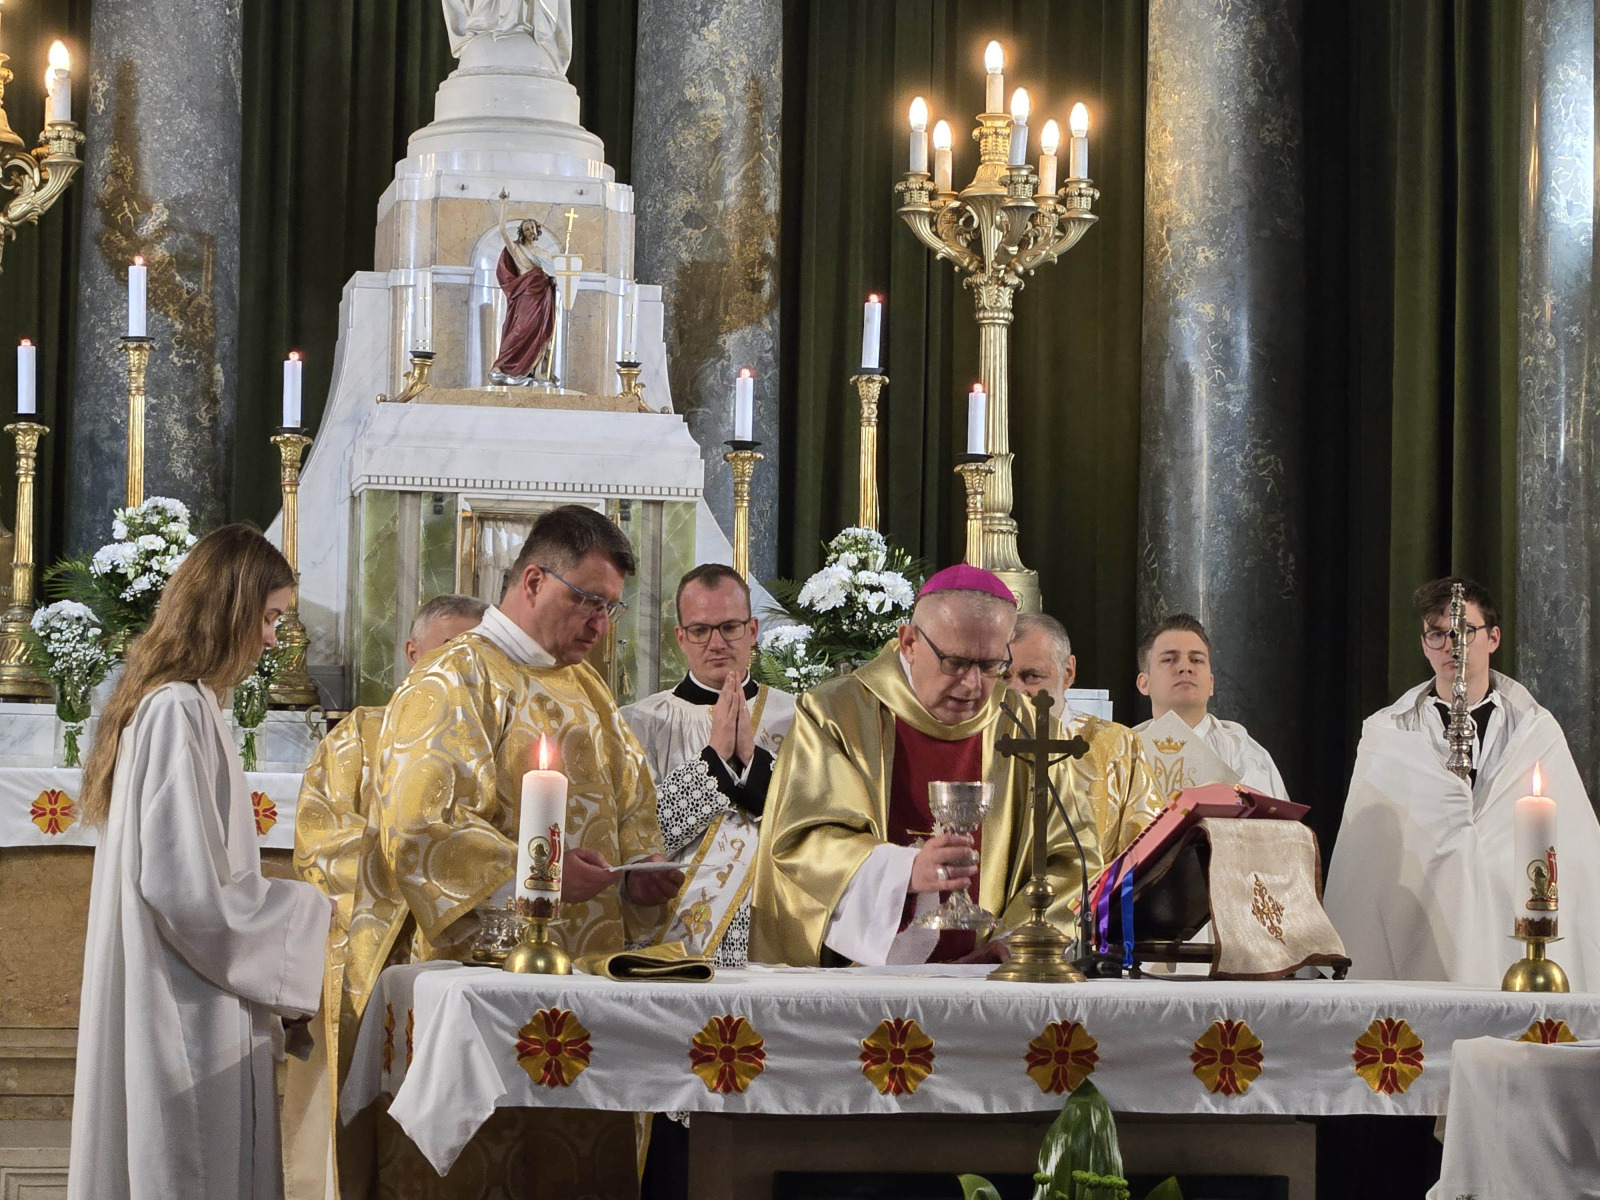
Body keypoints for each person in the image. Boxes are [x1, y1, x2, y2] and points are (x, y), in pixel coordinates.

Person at [339, 505, 680, 1199]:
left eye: (611, 608)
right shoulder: (452, 678)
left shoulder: (590, 692)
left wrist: (638, 881)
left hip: (585, 1003)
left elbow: (632, 817)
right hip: (483, 988)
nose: (600, 624)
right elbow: (420, 828)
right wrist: (538, 878)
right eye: (588, 601)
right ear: (532, 581)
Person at [67, 525, 331, 1200]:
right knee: (189, 1166)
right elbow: (184, 887)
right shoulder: (176, 709)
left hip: (195, 983)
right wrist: (309, 915)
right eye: (267, 618)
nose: (271, 639)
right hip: (182, 999)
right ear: (228, 609)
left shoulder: (190, 703)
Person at [749, 564, 1101, 967]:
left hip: (993, 984)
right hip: (859, 985)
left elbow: (1072, 860)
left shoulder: (1027, 725)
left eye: (990, 666)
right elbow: (801, 842)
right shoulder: (835, 714)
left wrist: (1016, 941)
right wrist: (905, 873)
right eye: (955, 662)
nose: (973, 685)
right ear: (909, 642)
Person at [283, 593, 486, 1200]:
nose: (461, 666)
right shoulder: (359, 735)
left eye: (475, 653)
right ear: (412, 652)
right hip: (369, 961)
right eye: (448, 649)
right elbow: (321, 847)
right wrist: (423, 870)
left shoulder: (490, 747)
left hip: (462, 963)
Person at [1324, 577, 1600, 989]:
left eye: (1464, 631)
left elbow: (1577, 851)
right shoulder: (1389, 734)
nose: (1452, 646)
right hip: (1417, 919)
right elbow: (1365, 858)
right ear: (1423, 645)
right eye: (1437, 634)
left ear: (1493, 638)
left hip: (1511, 917)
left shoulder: (1534, 730)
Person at [622, 564, 795, 967]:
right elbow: (635, 838)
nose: (716, 643)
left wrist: (753, 761)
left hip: (774, 934)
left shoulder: (800, 718)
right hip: (669, 942)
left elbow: (815, 830)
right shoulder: (638, 723)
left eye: (729, 627)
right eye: (700, 630)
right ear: (681, 637)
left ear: (752, 630)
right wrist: (714, 759)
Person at [1005, 612, 1165, 858]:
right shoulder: (979, 744)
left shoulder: (1117, 746)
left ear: (1068, 672)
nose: (1016, 691)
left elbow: (1147, 849)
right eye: (1004, 677)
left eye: (1032, 676)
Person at [1133, 613, 1288, 798]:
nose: (1185, 667)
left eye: (1196, 660)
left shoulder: (1241, 752)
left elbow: (1269, 816)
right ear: (1144, 683)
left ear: (1211, 684)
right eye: (1169, 659)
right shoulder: (1125, 752)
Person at [491, 194, 556, 383]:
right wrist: (504, 205)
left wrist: (554, 281)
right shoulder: (517, 249)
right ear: (522, 232)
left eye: (532, 227)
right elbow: (502, 230)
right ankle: (502, 364)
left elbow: (552, 276)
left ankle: (537, 371)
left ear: (537, 230)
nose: (530, 231)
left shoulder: (545, 254)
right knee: (518, 330)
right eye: (526, 228)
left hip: (543, 297)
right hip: (525, 295)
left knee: (541, 332)